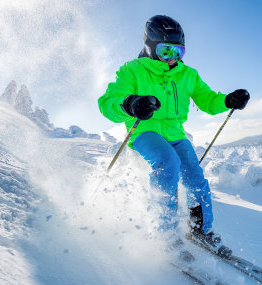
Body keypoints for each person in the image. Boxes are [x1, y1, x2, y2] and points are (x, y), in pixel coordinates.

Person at [98, 15, 249, 258]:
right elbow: (106, 103)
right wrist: (131, 104)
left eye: (179, 51)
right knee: (167, 162)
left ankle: (200, 230)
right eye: (166, 50)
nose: (173, 58)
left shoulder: (187, 74)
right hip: (144, 131)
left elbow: (208, 100)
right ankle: (165, 234)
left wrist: (227, 100)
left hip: (176, 134)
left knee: (195, 177)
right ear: (150, 46)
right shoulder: (132, 70)